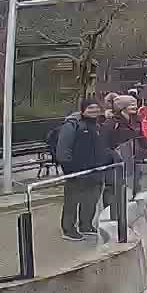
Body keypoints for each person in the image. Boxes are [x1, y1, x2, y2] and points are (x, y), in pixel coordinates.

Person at [54, 98, 110, 241]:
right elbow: (63, 148)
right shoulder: (72, 125)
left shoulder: (98, 125)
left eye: (96, 108)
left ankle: (86, 224)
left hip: (95, 170)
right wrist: (69, 168)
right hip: (77, 170)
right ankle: (68, 228)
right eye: (90, 108)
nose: (94, 111)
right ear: (83, 110)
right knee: (72, 200)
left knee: (91, 199)